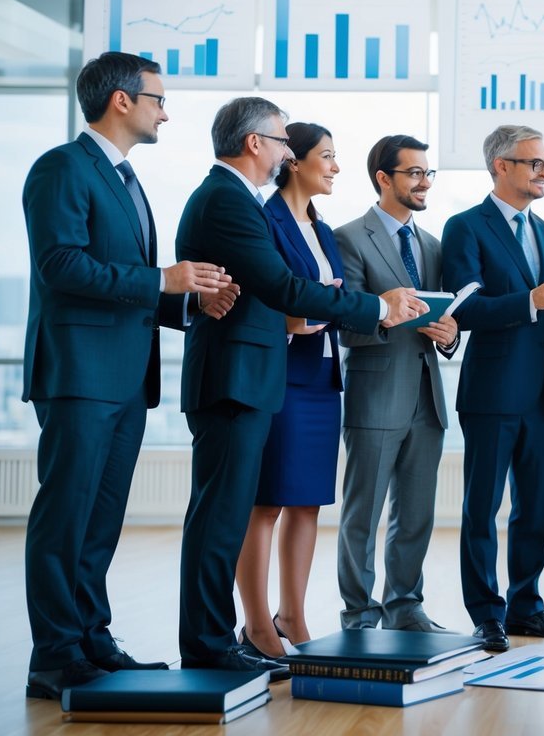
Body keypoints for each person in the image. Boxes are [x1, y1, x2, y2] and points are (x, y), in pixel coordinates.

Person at [175, 97, 427, 678]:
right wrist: (375, 307)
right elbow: (281, 287)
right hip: (240, 378)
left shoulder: (237, 201)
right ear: (257, 144)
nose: (289, 149)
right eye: (284, 140)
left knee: (228, 514)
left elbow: (278, 287)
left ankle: (220, 639)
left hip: (265, 375)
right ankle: (216, 642)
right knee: (225, 516)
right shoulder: (231, 201)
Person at [20, 52, 235, 700]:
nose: (164, 110)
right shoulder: (62, 168)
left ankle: (91, 638)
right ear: (121, 100)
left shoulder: (125, 179)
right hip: (80, 374)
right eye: (158, 99)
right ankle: (54, 656)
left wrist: (187, 302)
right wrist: (161, 279)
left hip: (121, 377)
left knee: (101, 518)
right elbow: (60, 265)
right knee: (66, 517)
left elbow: (126, 282)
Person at [441, 125, 544, 652]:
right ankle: (487, 613)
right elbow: (464, 310)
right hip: (491, 391)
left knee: (535, 508)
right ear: (501, 166)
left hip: (541, 392)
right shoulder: (465, 228)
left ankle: (527, 606)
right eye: (535, 163)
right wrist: (531, 301)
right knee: (481, 507)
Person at [333, 135, 459, 633]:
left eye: (428, 173)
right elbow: (341, 322)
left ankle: (405, 607)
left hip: (427, 396)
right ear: (384, 178)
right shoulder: (348, 237)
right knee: (362, 516)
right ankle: (359, 615)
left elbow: (442, 319)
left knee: (416, 513)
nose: (424, 182)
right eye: (414, 173)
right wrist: (385, 312)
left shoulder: (432, 246)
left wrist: (449, 335)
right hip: (375, 392)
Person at [234, 122, 348, 660]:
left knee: (307, 503)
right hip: (281, 375)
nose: (335, 167)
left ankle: (293, 617)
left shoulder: (322, 229)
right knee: (265, 503)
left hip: (323, 376)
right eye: (326, 156)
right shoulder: (265, 220)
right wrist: (290, 317)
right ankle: (257, 626)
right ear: (294, 161)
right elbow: (259, 294)